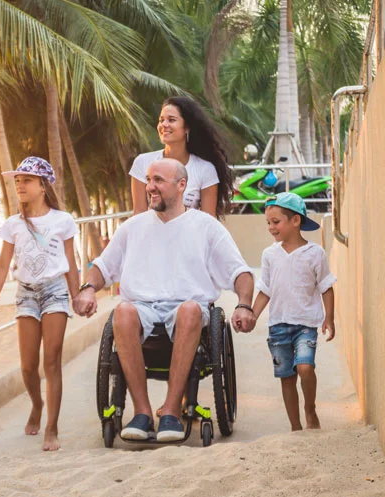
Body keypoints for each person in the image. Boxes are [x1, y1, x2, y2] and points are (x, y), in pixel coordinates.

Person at [74, 158, 256, 442]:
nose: (150, 187)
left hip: (187, 311)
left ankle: (171, 412)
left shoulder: (205, 227)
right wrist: (87, 288)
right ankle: (143, 414)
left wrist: (244, 304)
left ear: (181, 185)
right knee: (122, 312)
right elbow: (102, 266)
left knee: (190, 309)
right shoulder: (133, 227)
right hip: (142, 310)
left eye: (158, 180)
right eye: (148, 180)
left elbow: (240, 272)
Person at [0, 156, 80, 451]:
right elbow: (2, 265)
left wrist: (78, 296)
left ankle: (51, 428)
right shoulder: (12, 224)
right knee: (27, 366)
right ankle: (37, 404)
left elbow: (71, 263)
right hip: (25, 293)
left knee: (51, 359)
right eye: (17, 181)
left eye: (26, 180)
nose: (20, 185)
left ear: (42, 185)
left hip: (55, 292)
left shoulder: (62, 220)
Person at [250, 193, 336, 431]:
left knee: (305, 368)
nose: (271, 227)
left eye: (276, 222)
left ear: (295, 221)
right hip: (278, 326)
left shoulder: (315, 253)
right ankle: (296, 428)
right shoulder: (270, 255)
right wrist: (252, 315)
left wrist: (329, 318)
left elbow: (326, 287)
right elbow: (265, 290)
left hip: (305, 325)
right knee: (287, 378)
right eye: (268, 222)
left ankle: (310, 408)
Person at [129, 96, 233, 219]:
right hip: (152, 236)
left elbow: (208, 222)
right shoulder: (142, 163)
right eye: (161, 120)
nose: (164, 125)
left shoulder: (205, 169)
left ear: (187, 128)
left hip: (190, 237)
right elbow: (138, 214)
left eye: (171, 120)